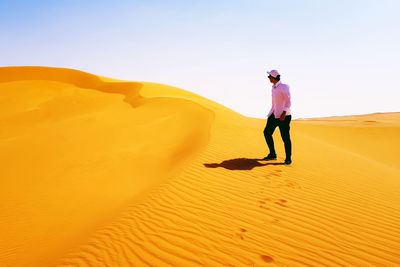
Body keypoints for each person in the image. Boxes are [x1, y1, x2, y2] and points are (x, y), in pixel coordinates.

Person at [263, 69, 292, 165]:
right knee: (267, 132)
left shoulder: (284, 87)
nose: (268, 78)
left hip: (284, 116)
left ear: (273, 77)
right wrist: (271, 113)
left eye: (269, 76)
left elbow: (288, 101)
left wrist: (284, 113)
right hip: (274, 115)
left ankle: (288, 159)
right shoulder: (274, 87)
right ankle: (272, 154)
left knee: (285, 138)